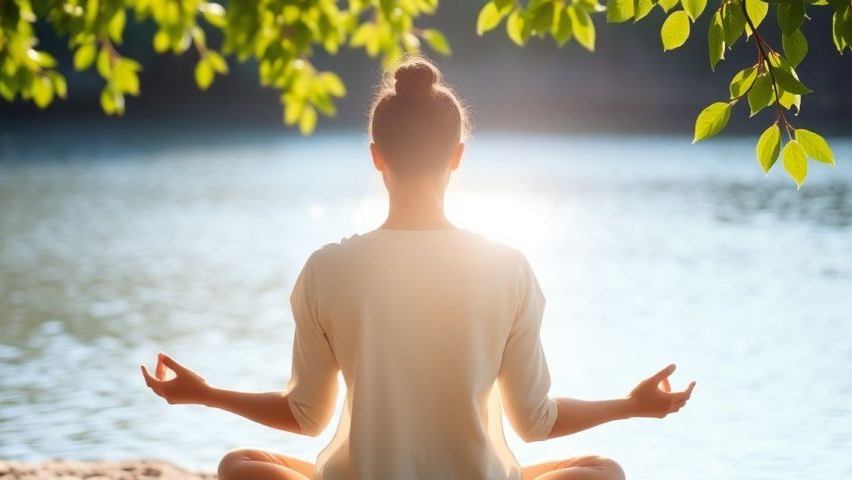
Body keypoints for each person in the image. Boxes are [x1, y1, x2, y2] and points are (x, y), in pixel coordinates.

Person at [140, 56, 696, 480]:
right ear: (458, 155)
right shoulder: (508, 267)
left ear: (375, 155)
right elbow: (536, 423)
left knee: (240, 465)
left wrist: (207, 393)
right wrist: (632, 406)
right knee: (605, 472)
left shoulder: (327, 268)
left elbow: (307, 417)